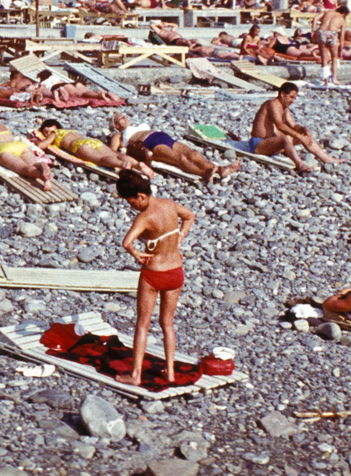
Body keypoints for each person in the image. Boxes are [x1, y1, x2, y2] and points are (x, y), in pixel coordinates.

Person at [115, 169, 193, 386]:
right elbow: (190, 216)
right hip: (176, 272)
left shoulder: (145, 217)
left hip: (154, 274)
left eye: (131, 202)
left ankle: (136, 375)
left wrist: (136, 253)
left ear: (141, 196)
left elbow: (126, 242)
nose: (131, 207)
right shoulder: (169, 204)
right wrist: (179, 239)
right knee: (167, 324)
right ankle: (170, 372)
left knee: (142, 324)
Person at [109, 113, 237, 184]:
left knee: (194, 154)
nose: (123, 117)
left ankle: (221, 169)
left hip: (163, 137)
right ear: (116, 126)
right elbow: (112, 152)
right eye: (119, 118)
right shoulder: (119, 135)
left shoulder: (138, 126)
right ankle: (204, 173)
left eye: (124, 115)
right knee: (179, 158)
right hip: (149, 143)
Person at [249, 81, 338, 172]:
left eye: (294, 98)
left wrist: (304, 130)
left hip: (272, 143)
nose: (293, 101)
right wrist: (298, 136)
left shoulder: (285, 109)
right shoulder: (272, 104)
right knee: (286, 138)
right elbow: (280, 125)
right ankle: (300, 164)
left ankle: (327, 159)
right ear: (283, 94)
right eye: (291, 97)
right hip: (258, 144)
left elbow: (293, 125)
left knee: (304, 136)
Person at [32, 118, 151, 176]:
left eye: (46, 129)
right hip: (91, 141)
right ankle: (138, 165)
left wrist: (35, 142)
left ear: (54, 126)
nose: (46, 132)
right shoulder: (71, 131)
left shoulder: (55, 133)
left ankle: (122, 165)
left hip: (79, 145)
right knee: (117, 154)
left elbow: (43, 144)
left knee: (100, 160)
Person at [313, 3, 347, 85]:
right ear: (344, 14)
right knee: (334, 58)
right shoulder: (342, 20)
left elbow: (315, 18)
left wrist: (313, 30)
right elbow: (341, 38)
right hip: (332, 33)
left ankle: (326, 81)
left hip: (321, 32)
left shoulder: (327, 13)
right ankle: (334, 79)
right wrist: (340, 52)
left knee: (324, 58)